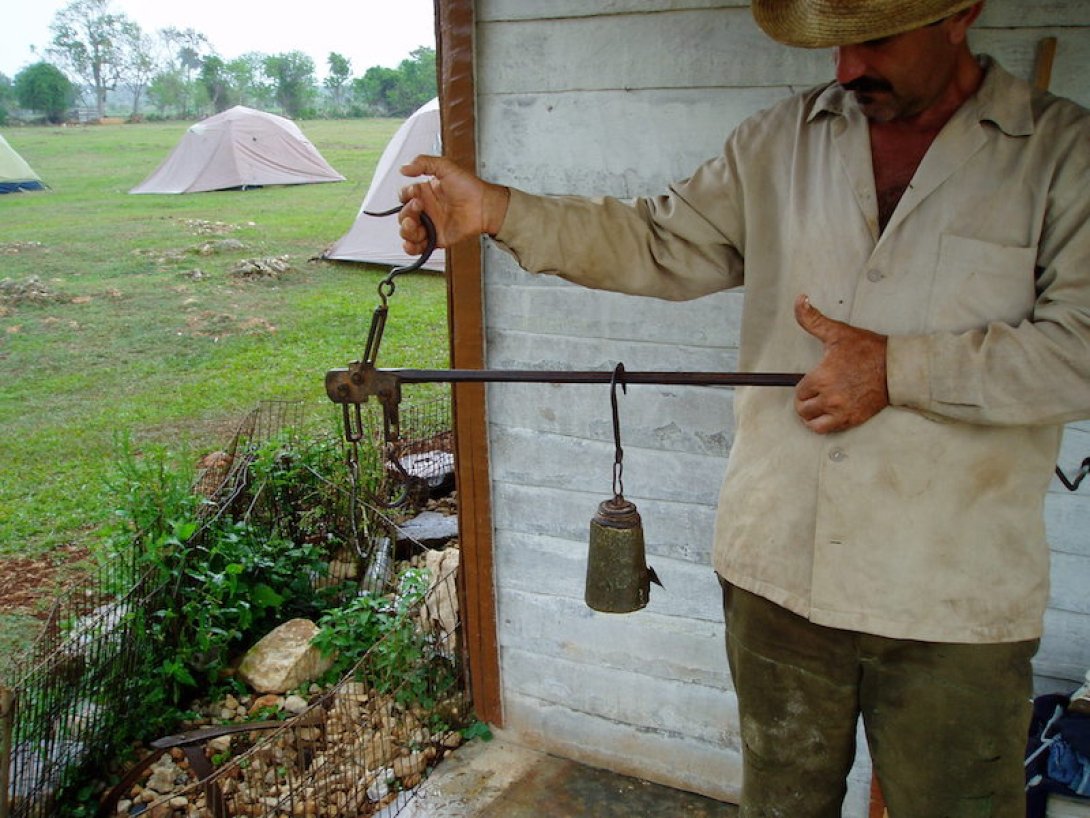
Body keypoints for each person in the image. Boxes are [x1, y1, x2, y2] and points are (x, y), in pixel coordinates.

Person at [396, 1, 1090, 814]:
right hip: (778, 575)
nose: (847, 69)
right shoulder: (779, 142)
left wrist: (899, 368)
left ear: (958, 14)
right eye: (834, 44)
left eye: (874, 40)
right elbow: (661, 242)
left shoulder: (1061, 154)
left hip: (951, 592)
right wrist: (500, 210)